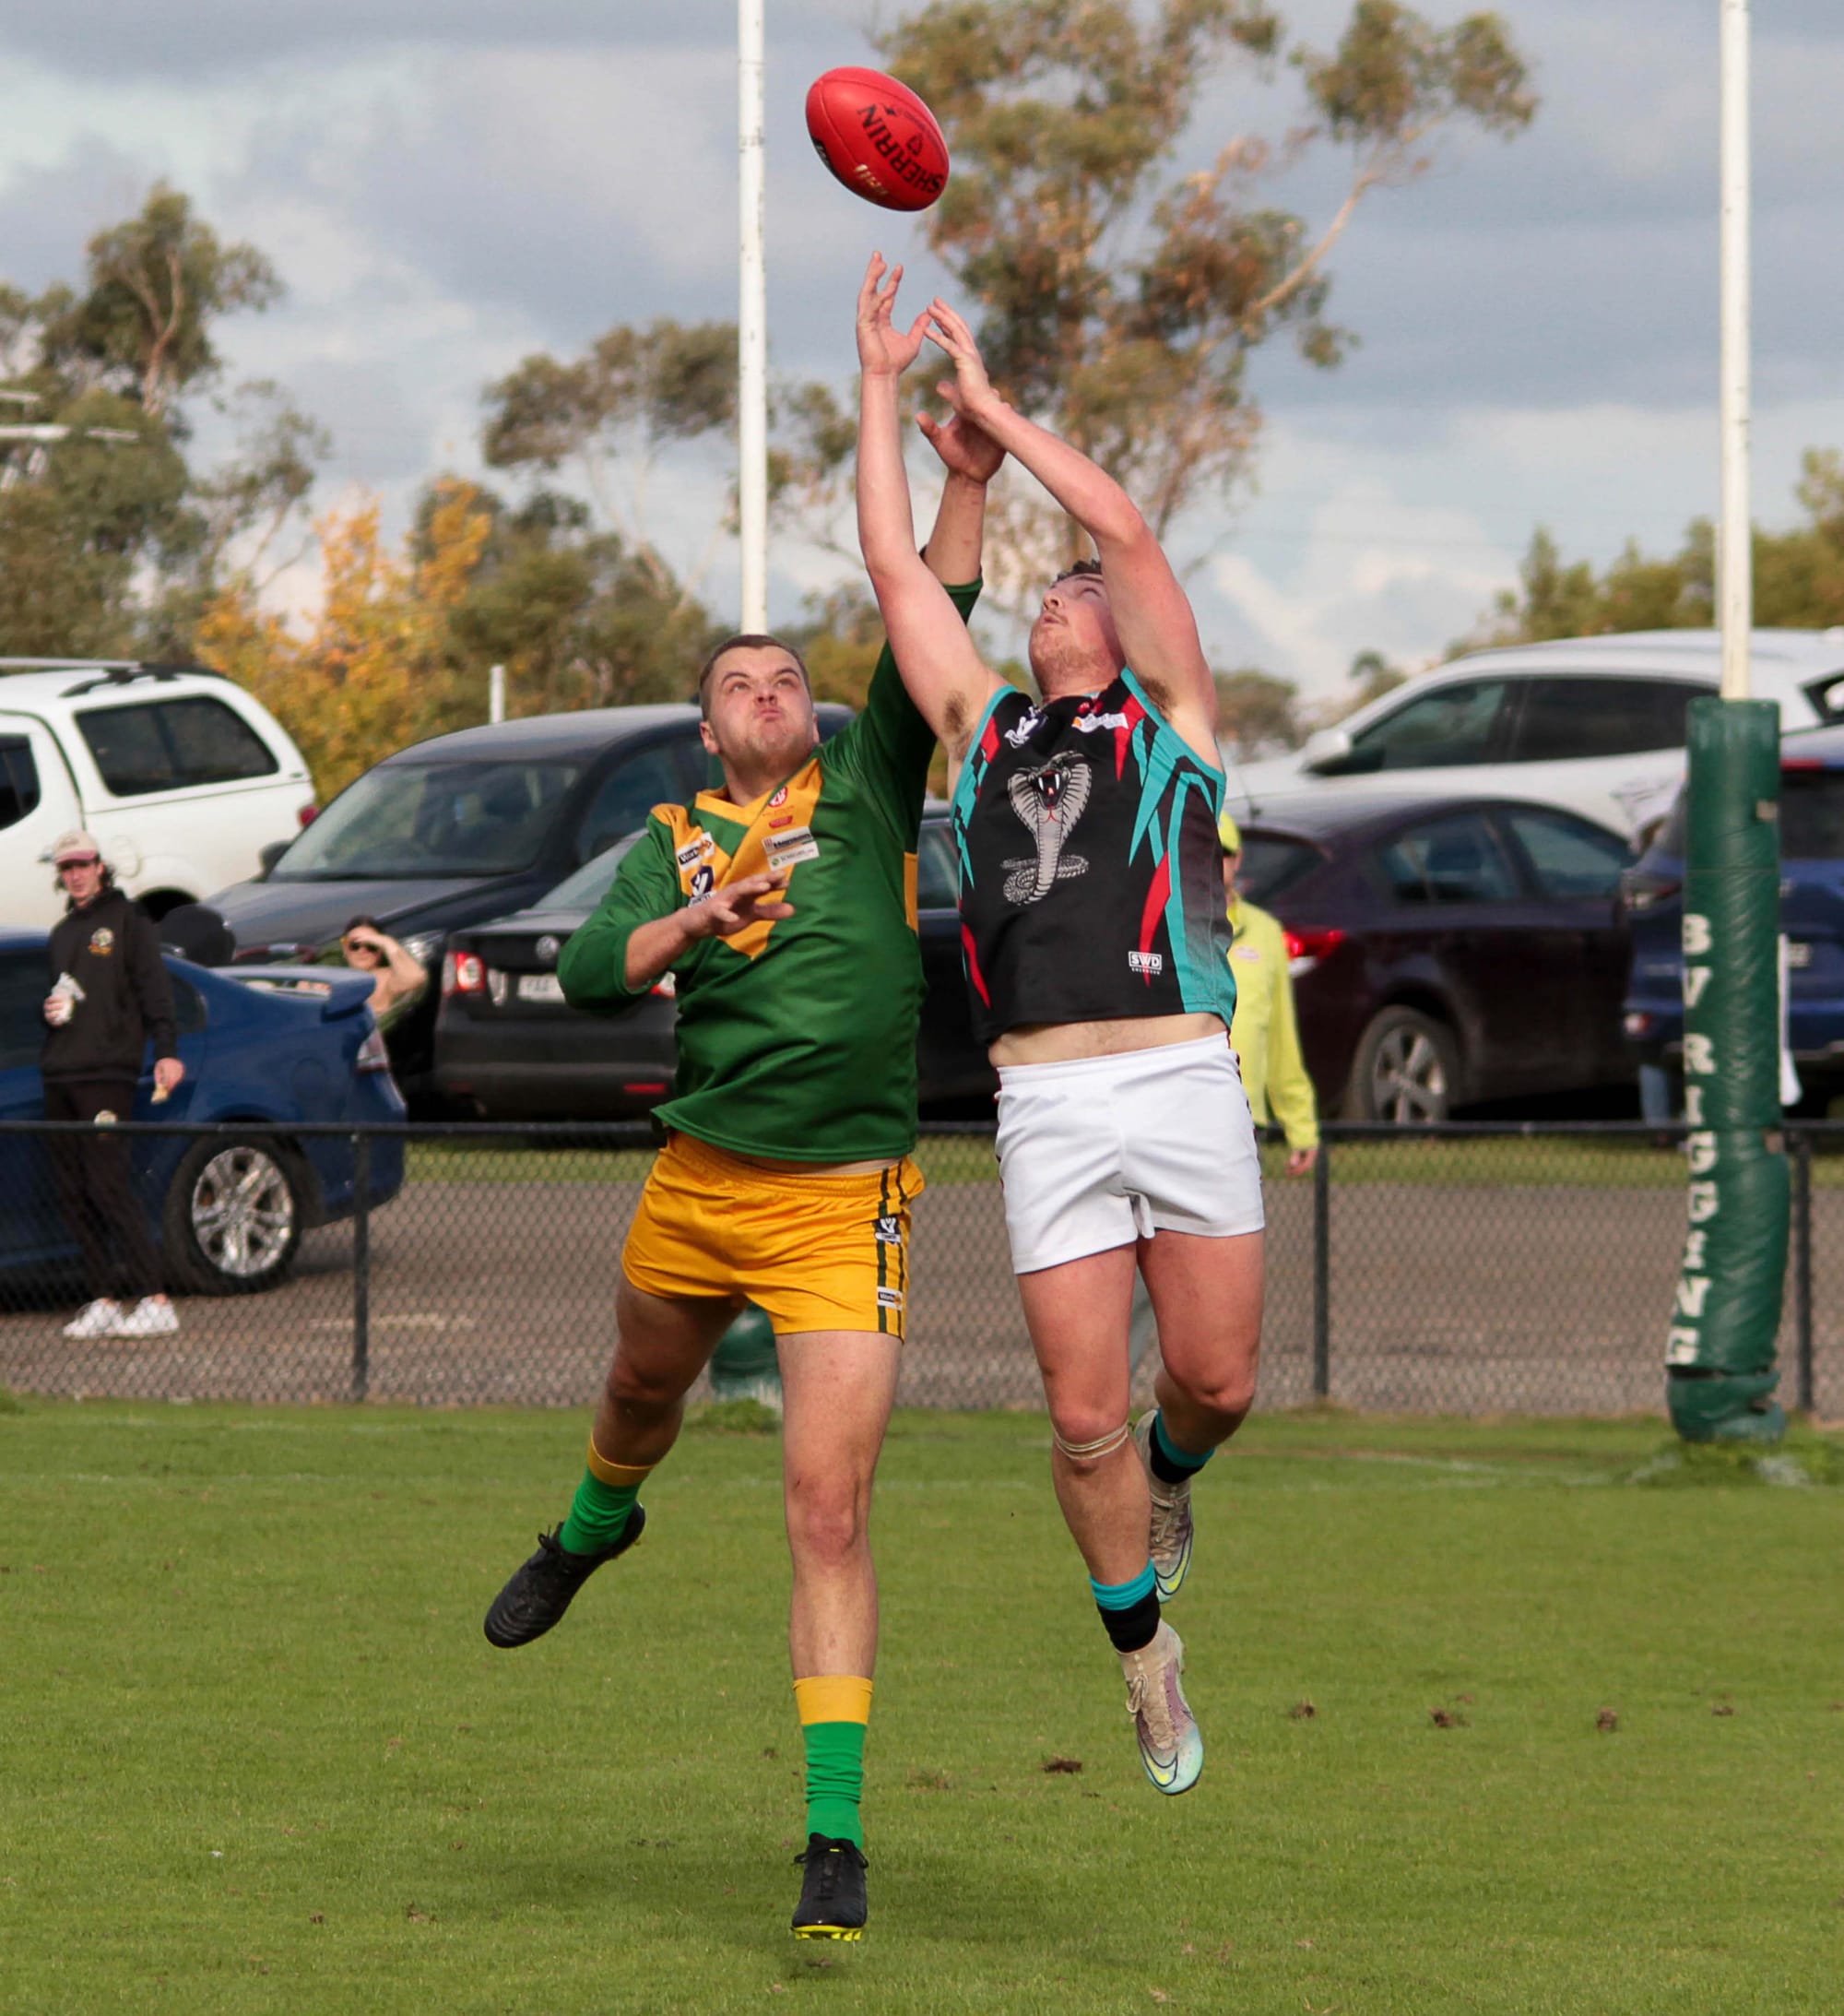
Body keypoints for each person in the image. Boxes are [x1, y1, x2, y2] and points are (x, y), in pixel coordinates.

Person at [479, 411, 1003, 1942]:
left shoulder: (871, 786)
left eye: (787, 679)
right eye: (738, 685)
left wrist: (965, 475)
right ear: (707, 731)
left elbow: (940, 615)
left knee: (827, 1508)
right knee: (641, 1392)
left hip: (849, 1200)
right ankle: (593, 1520)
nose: (769, 694)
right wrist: (699, 921)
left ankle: (832, 1837)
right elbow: (586, 971)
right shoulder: (671, 837)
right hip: (701, 1182)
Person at [854, 256, 1262, 1798]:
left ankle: (1179, 1476)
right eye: (1044, 590)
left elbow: (1128, 528)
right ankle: (1143, 1658)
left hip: (1178, 1066)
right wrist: (888, 387)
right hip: (1045, 1100)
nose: (1060, 588)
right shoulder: (984, 731)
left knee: (1212, 1384)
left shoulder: (1173, 720)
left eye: (1073, 584)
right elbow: (903, 574)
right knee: (1080, 1409)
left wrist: (996, 409)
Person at [40, 831, 186, 1340]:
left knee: (108, 1183)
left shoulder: (129, 921)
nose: (75, 874)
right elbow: (69, 999)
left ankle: (154, 1298)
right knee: (72, 1191)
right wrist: (52, 1014)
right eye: (66, 867)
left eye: (82, 865)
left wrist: (166, 1050)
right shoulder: (61, 933)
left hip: (108, 1074)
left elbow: (154, 988)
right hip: (61, 1072)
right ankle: (101, 1296)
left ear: (100, 866)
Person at [1219, 812, 1319, 1176]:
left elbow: (1280, 1035)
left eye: (1223, 852)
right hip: (1179, 1111)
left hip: (1245, 1117)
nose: (1214, 862)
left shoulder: (1265, 932)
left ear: (1239, 858)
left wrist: (1300, 1123)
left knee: (1238, 1230)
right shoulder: (1166, 924)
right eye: (1202, 851)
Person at [338, 918, 426, 1029]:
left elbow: (415, 978)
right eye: (355, 945)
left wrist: (386, 942)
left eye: (371, 946)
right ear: (345, 949)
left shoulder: (385, 977)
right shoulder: (335, 977)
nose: (362, 950)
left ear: (380, 951)